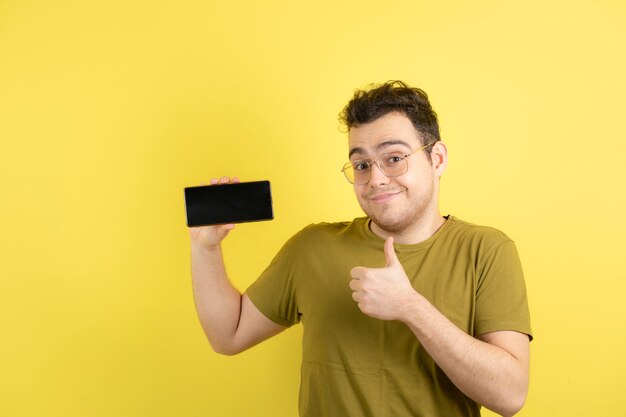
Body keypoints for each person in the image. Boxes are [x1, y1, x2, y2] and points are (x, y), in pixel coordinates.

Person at [189, 80, 532, 417]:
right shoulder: (312, 248)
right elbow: (228, 335)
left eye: (394, 158)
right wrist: (205, 249)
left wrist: (411, 307)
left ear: (437, 159)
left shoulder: (486, 250)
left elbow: (510, 395)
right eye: (362, 165)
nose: (376, 179)